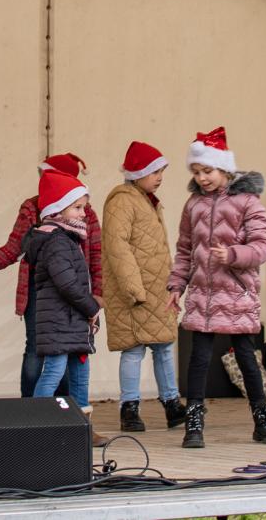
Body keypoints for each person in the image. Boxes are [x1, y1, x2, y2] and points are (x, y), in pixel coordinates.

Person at [167, 127, 266, 448]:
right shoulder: (193, 205)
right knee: (198, 359)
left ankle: (263, 420)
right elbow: (185, 248)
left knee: (246, 357)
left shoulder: (248, 202)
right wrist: (177, 285)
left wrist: (232, 254)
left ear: (223, 167)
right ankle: (194, 423)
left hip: (237, 292)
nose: (202, 178)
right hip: (203, 295)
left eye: (207, 170)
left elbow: (263, 245)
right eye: (196, 172)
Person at [0, 152, 103, 398]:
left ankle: (66, 409)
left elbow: (96, 253)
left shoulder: (86, 213)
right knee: (38, 347)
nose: (44, 181)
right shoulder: (32, 207)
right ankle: (31, 407)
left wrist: (97, 293)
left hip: (76, 290)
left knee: (72, 349)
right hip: (42, 290)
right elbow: (15, 245)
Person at [101, 140, 185, 432]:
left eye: (161, 172)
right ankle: (130, 407)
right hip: (136, 290)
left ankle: (172, 404)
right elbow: (117, 247)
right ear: (137, 173)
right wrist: (133, 288)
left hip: (156, 288)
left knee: (164, 346)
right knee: (133, 349)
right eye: (154, 172)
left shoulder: (148, 200)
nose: (159, 177)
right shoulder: (122, 201)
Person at [23, 170, 107, 446]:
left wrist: (87, 312)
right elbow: (67, 284)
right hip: (60, 322)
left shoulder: (69, 239)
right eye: (77, 208)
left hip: (73, 322)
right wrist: (91, 307)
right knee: (53, 373)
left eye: (84, 207)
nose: (84, 214)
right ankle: (35, 426)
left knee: (80, 375)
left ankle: (82, 428)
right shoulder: (56, 241)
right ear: (57, 210)